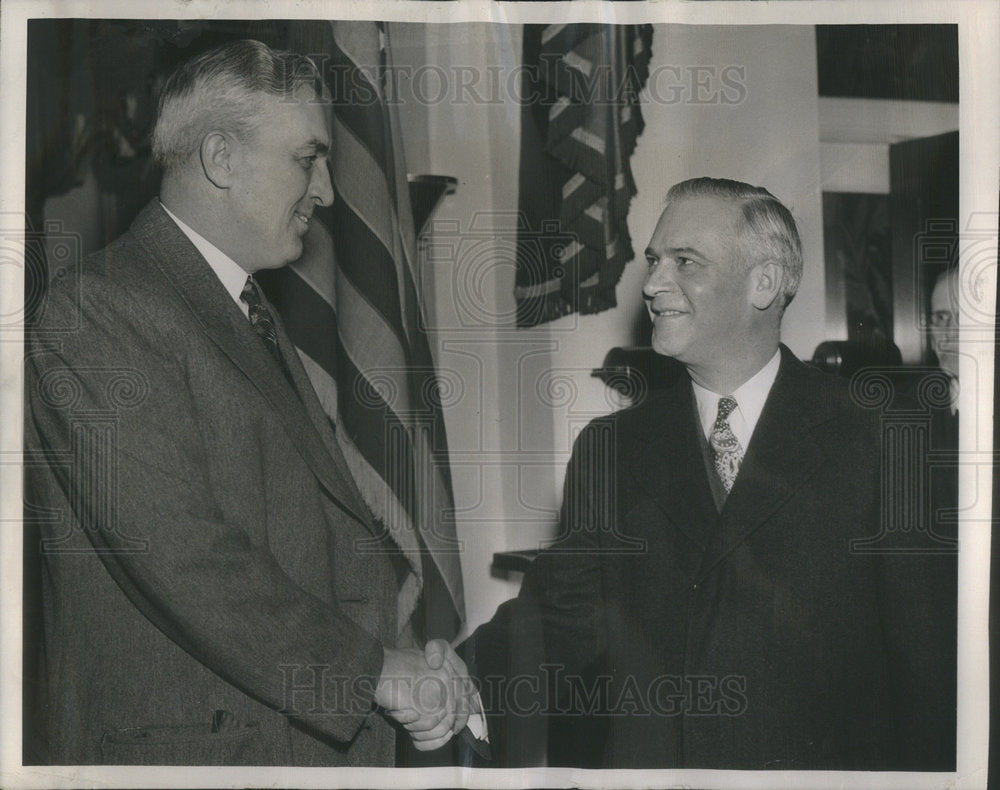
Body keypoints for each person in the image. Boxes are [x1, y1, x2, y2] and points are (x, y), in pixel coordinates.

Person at [23, 39, 473, 766]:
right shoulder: (99, 312)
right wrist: (375, 673)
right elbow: (183, 557)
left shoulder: (242, 309)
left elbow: (320, 535)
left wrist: (405, 656)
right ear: (221, 159)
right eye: (307, 159)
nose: (326, 191)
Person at [462, 177, 956, 770]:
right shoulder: (611, 449)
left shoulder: (883, 441)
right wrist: (443, 681)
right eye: (652, 262)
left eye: (685, 262)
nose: (651, 285)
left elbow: (930, 678)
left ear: (765, 281)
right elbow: (557, 621)